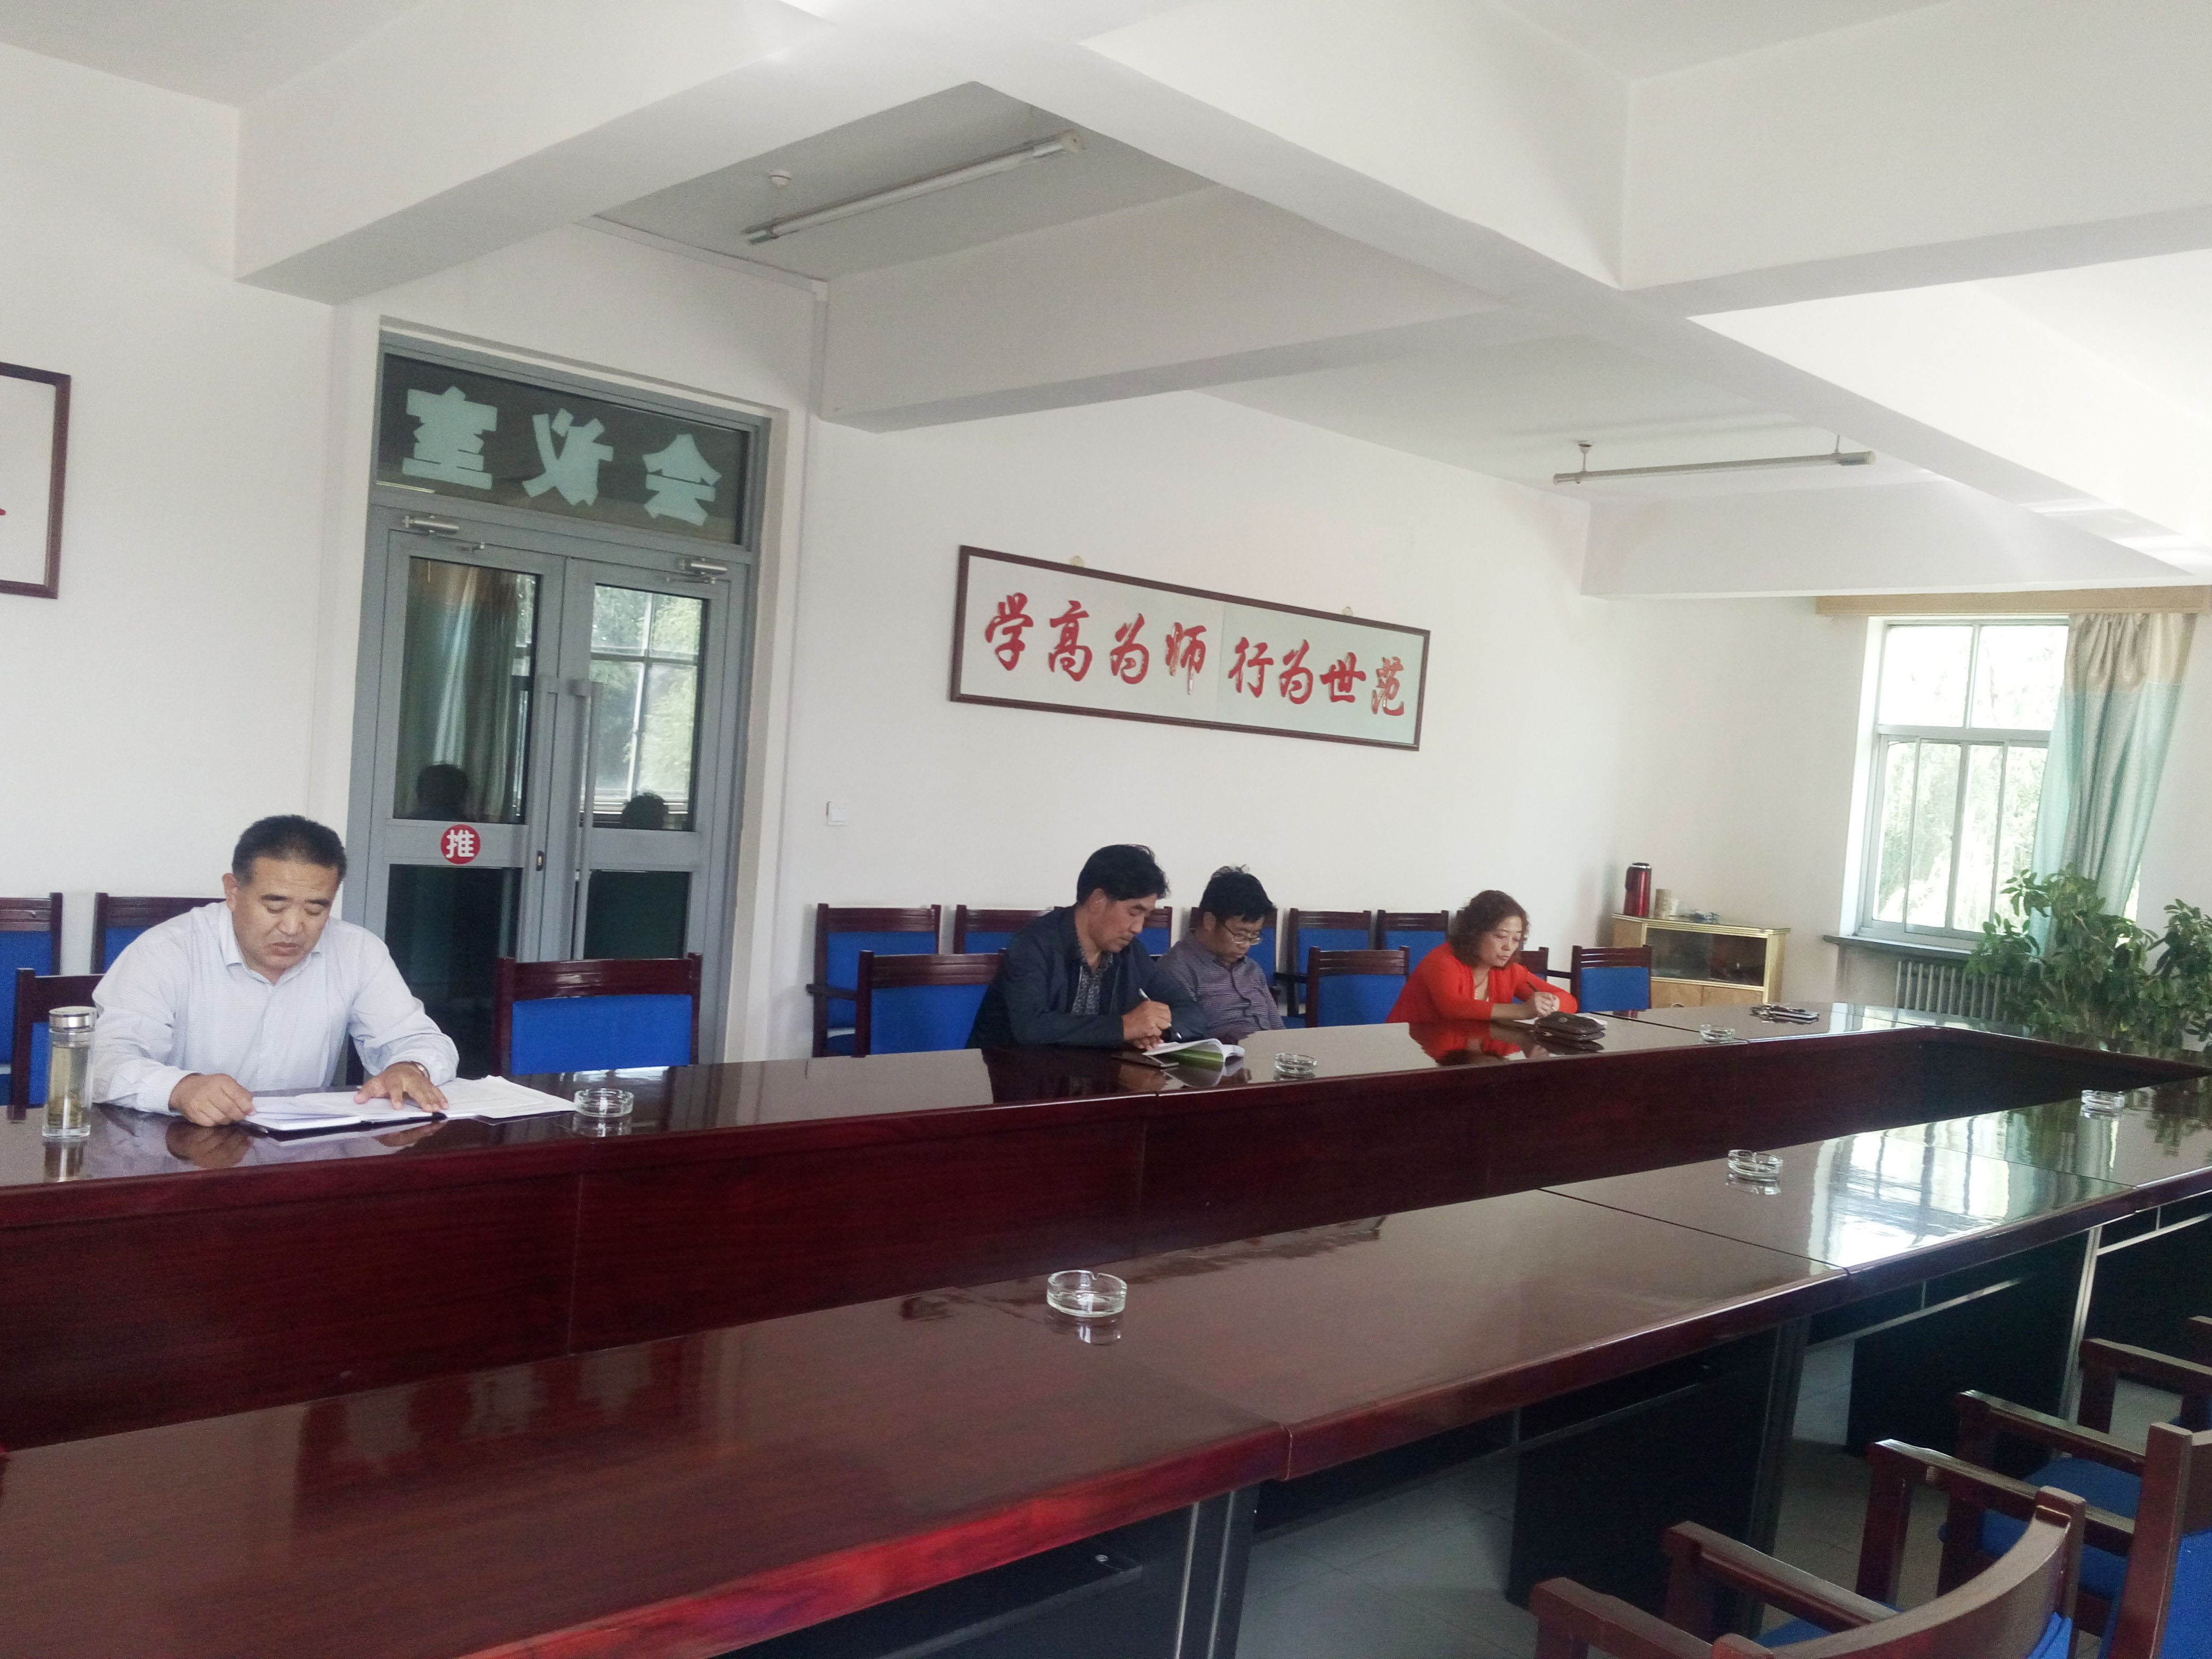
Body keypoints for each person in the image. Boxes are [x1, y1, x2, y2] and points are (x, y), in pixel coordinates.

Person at [90, 815, 459, 1127]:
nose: (293, 927)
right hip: (180, 1151)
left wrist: (411, 1067)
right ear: (233, 891)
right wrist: (180, 1088)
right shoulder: (165, 951)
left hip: (299, 1155)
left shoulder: (357, 951)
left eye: (315, 910)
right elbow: (105, 1060)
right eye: (275, 906)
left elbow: (423, 1040)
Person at [967, 844, 1204, 1050]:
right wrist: (1123, 1027)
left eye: (1146, 916)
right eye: (1134, 912)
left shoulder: (1132, 953)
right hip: (1015, 1078)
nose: (1139, 928)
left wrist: (1155, 1030)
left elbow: (1193, 1013)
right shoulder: (1034, 944)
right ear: (1098, 900)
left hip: (1090, 1078)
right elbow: (1031, 1027)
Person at [1388, 890, 1579, 1023]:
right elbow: (1453, 1008)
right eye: (1501, 936)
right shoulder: (1442, 960)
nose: (1509, 947)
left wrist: (1550, 1005)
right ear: (1475, 933)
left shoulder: (1509, 971)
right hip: (1409, 1052)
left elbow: (1570, 1001)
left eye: (1516, 939)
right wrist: (1522, 1011)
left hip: (1463, 1057)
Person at [1151, 866, 1285, 1043]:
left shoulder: (1252, 969)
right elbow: (1186, 1036)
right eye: (1240, 935)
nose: (1246, 946)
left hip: (1266, 1053)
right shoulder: (1177, 968)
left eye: (1253, 937)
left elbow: (1279, 1029)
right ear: (1209, 921)